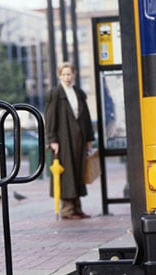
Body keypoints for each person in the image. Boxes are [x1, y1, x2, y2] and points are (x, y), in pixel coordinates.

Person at [44, 62, 95, 220]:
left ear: (74, 75)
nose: (67, 77)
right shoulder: (55, 94)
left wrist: (88, 139)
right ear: (59, 75)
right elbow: (50, 118)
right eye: (64, 74)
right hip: (63, 140)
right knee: (66, 174)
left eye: (69, 74)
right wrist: (52, 139)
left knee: (78, 172)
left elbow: (85, 116)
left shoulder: (78, 92)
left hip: (78, 140)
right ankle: (67, 209)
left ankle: (77, 208)